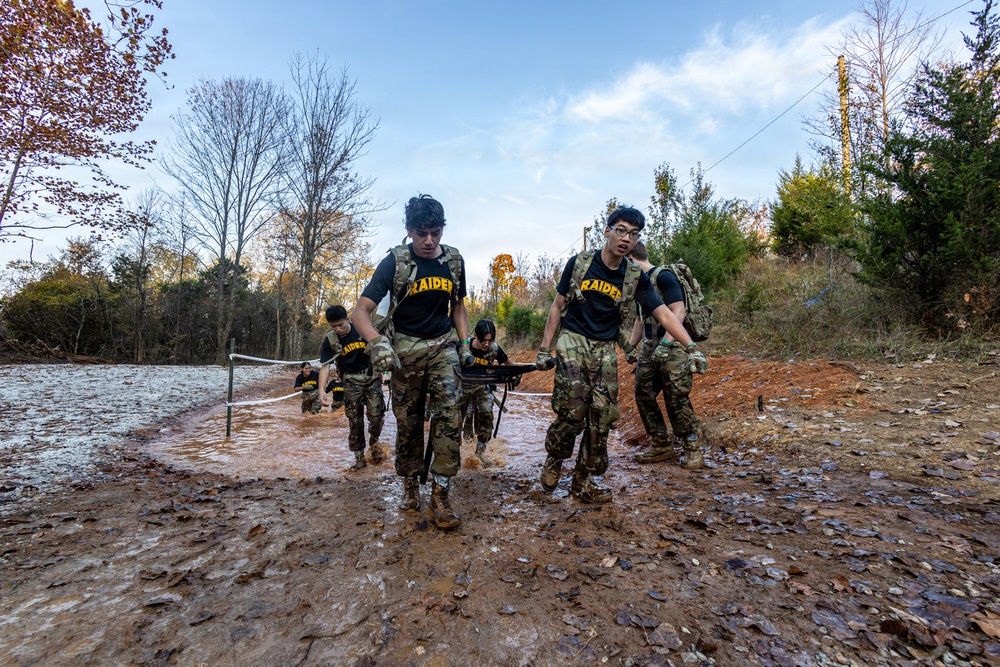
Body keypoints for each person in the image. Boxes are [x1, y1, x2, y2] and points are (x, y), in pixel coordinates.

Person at [534, 206, 707, 503]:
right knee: (573, 413)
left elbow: (665, 314)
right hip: (573, 341)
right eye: (622, 230)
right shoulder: (580, 264)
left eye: (634, 233)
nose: (627, 237)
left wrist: (691, 347)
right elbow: (557, 305)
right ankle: (554, 461)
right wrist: (544, 348)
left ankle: (583, 480)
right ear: (608, 231)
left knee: (602, 417)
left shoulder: (634, 276)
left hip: (604, 349)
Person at [351, 194, 470, 529]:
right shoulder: (395, 262)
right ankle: (409, 484)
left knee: (450, 414)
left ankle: (440, 494)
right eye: (421, 233)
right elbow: (360, 312)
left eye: (435, 232)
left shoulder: (454, 261)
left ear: (442, 230)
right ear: (409, 231)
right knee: (409, 421)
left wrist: (463, 343)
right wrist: (377, 344)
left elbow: (458, 306)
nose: (429, 241)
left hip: (443, 346)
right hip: (404, 350)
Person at [626, 241, 704, 469]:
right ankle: (660, 443)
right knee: (643, 393)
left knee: (676, 397)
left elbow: (678, 312)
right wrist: (631, 346)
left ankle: (692, 448)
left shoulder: (664, 277)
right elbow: (640, 319)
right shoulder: (639, 284)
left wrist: (667, 343)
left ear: (631, 258)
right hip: (649, 347)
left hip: (673, 347)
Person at [319, 305, 386, 470]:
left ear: (348, 319)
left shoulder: (363, 328)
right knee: (354, 420)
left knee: (376, 417)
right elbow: (325, 366)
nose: (338, 329)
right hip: (350, 380)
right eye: (333, 326)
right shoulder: (330, 340)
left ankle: (374, 441)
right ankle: (359, 459)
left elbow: (381, 346)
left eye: (340, 325)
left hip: (371, 376)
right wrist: (321, 390)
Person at [460, 318, 514, 465]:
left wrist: (515, 375)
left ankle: (480, 452)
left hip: (482, 387)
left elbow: (509, 365)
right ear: (476, 336)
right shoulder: (464, 347)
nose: (486, 344)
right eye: (484, 340)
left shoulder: (494, 349)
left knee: (486, 412)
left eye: (490, 341)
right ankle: (454, 453)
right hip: (462, 387)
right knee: (455, 419)